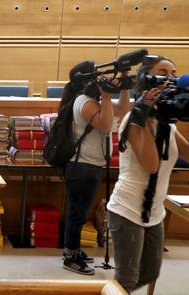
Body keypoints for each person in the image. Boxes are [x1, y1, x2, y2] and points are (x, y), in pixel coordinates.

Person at [94, 55, 189, 295]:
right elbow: (152, 165)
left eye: (174, 73)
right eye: (162, 73)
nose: (170, 79)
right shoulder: (134, 121)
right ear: (145, 80)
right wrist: (141, 114)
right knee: (127, 276)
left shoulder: (166, 122)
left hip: (154, 212)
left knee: (150, 272)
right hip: (126, 209)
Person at [60, 60, 131, 275]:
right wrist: (107, 96)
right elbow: (107, 124)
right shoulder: (83, 101)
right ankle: (70, 256)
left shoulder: (94, 100)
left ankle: (74, 249)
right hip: (81, 166)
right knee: (77, 214)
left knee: (80, 211)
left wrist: (125, 85)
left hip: (90, 165)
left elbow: (124, 109)